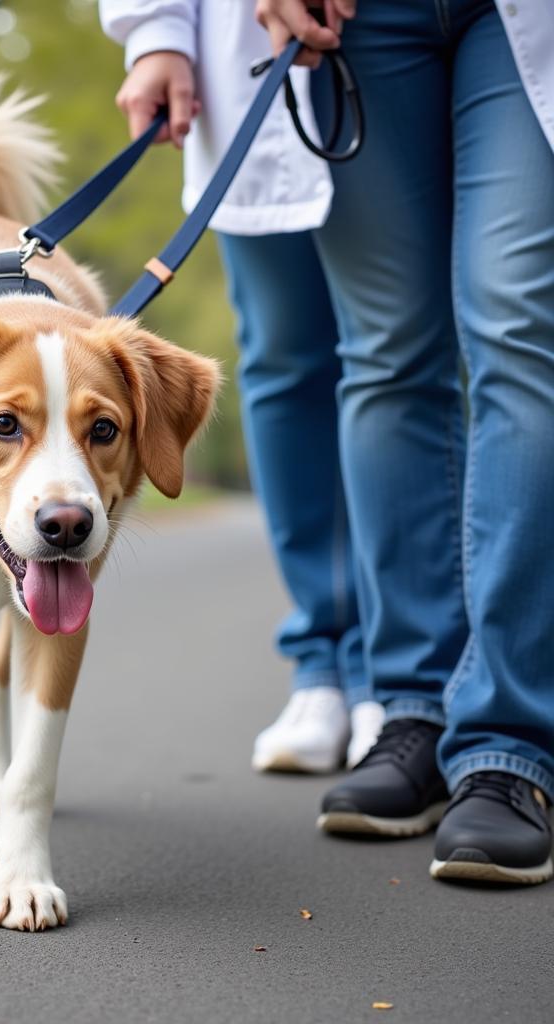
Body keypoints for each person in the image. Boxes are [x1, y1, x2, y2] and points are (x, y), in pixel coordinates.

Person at [253, 0, 554, 885]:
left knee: (516, 324)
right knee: (385, 352)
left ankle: (510, 743)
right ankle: (412, 708)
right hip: (360, 18)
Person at [99, 1, 384, 774]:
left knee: (395, 359)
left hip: (397, 46)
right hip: (242, 55)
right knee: (285, 361)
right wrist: (155, 34)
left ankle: (395, 673)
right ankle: (323, 662)